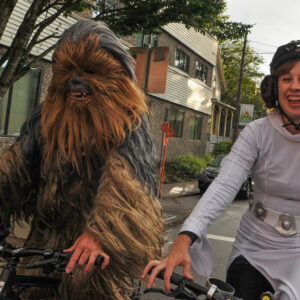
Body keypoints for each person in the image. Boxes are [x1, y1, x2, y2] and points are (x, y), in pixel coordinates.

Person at [0, 20, 164, 300]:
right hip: (44, 241)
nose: (76, 81)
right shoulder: (49, 116)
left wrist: (100, 234)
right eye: (69, 72)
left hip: (93, 252)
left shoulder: (129, 124)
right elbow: (13, 167)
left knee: (85, 286)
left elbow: (125, 189)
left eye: (89, 72)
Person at [143, 40, 300, 300]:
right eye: (286, 79)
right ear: (274, 87)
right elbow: (225, 185)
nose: (295, 86)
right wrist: (183, 239)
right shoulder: (257, 132)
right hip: (255, 250)